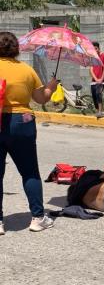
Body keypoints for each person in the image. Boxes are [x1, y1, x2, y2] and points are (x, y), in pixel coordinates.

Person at [0, 31, 58, 234]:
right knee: (29, 172)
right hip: (22, 122)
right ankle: (37, 218)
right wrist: (51, 86)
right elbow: (41, 99)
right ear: (16, 49)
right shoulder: (26, 70)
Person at [90, 41, 104, 119]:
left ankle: (100, 111)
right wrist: (95, 79)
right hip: (94, 80)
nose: (95, 51)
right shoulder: (93, 57)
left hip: (102, 80)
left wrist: (101, 79)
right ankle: (98, 110)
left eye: (96, 49)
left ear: (99, 48)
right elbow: (91, 69)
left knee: (98, 93)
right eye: (94, 49)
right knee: (94, 95)